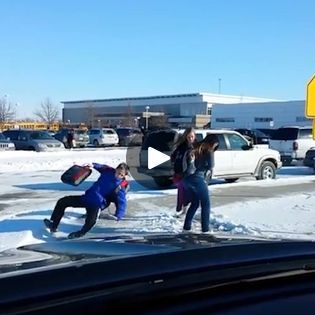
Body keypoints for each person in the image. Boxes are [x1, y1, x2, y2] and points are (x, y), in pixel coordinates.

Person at [43, 162, 129, 239]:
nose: (118, 175)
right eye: (118, 173)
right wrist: (92, 165)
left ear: (125, 175)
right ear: (116, 170)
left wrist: (119, 215)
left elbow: (122, 202)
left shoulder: (120, 186)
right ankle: (53, 224)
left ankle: (80, 234)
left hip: (96, 204)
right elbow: (101, 167)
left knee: (90, 222)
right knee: (63, 201)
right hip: (86, 198)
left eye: (121, 175)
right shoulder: (108, 171)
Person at [182, 134, 219, 233]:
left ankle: (186, 227)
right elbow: (211, 165)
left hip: (186, 179)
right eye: (216, 145)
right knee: (206, 204)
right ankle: (205, 229)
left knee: (194, 203)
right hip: (197, 179)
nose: (215, 147)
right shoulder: (209, 149)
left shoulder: (196, 146)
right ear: (213, 143)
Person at [171, 127, 196, 216]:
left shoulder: (196, 147)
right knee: (183, 192)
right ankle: (184, 210)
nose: (190, 139)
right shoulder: (181, 147)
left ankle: (188, 210)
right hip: (181, 173)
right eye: (189, 137)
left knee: (190, 193)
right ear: (185, 137)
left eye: (192, 137)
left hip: (191, 173)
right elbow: (173, 157)